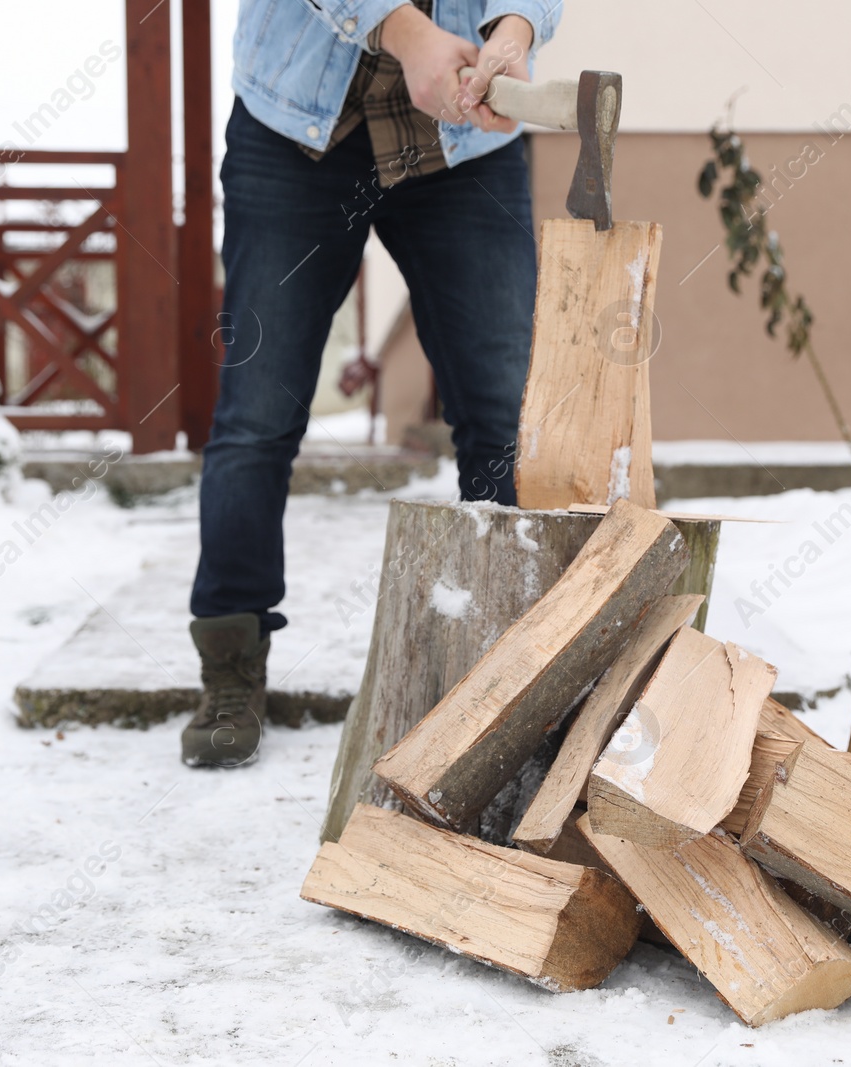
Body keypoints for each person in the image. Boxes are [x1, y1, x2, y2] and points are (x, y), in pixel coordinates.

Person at [181, 0, 563, 768]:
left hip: (463, 143)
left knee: (505, 415)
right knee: (259, 414)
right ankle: (230, 663)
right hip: (298, 131)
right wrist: (406, 32)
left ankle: (512, 668)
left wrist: (514, 29)